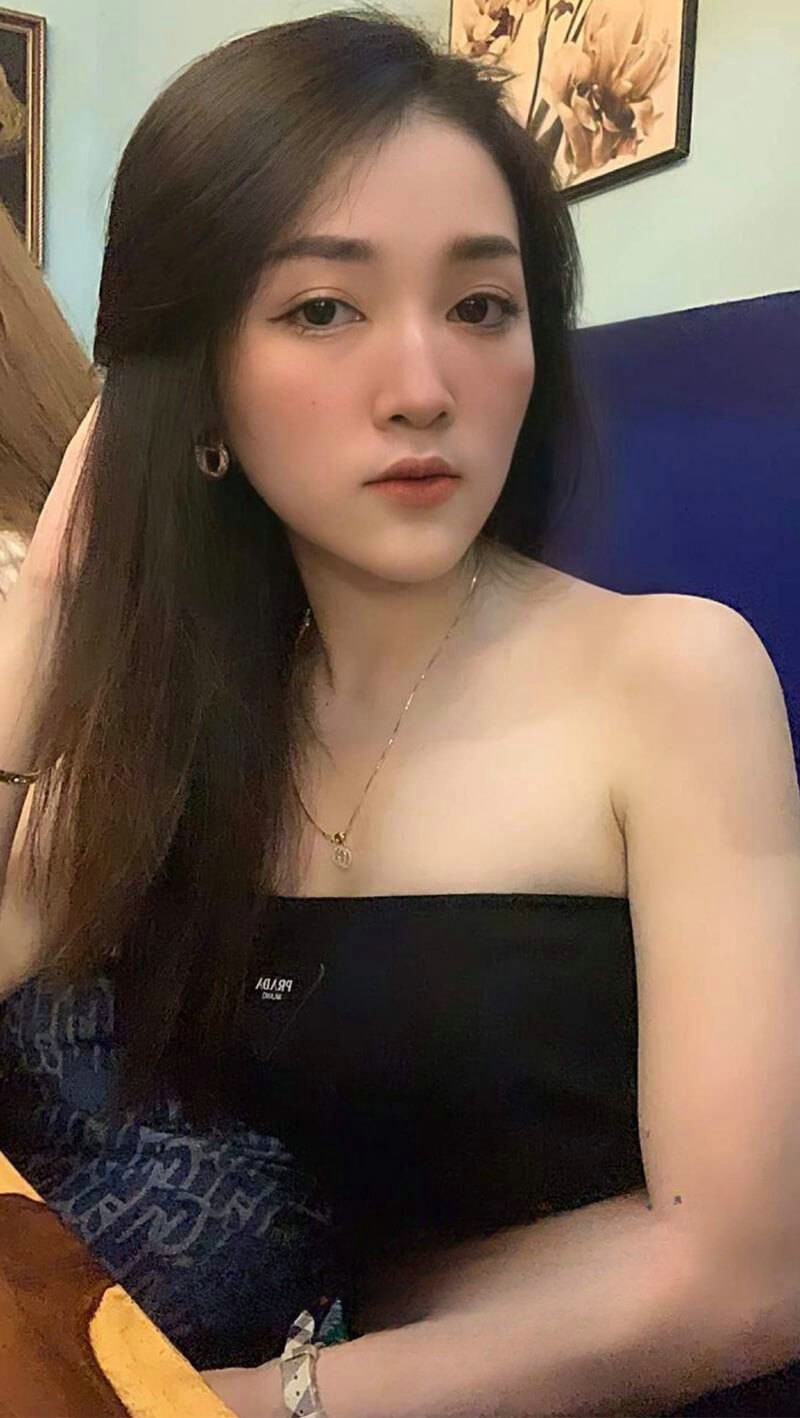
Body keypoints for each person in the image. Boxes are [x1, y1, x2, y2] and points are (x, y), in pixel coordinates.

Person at [1, 8, 800, 1416]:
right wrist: (59, 598)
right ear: (196, 385)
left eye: (481, 307)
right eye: (323, 309)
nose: (425, 389)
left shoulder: (674, 677)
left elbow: (741, 1280)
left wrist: (249, 1402)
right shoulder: (195, 718)